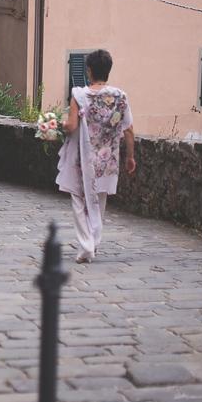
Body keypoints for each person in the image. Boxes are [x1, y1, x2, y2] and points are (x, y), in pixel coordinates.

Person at [56, 49, 136, 264]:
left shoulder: (79, 95)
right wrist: (130, 156)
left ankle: (86, 246)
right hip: (107, 160)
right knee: (98, 201)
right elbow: (128, 129)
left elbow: (71, 125)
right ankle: (94, 241)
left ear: (89, 71)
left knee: (78, 200)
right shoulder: (120, 96)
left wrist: (57, 124)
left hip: (82, 158)